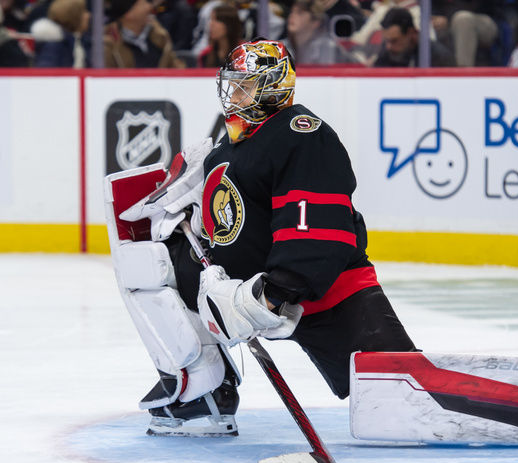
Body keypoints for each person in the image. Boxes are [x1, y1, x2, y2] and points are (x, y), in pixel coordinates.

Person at [106, 39, 417, 435]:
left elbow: (316, 221)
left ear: (272, 86)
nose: (233, 93)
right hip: (241, 290)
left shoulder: (301, 134)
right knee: (151, 263)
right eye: (232, 84)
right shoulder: (229, 146)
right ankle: (205, 393)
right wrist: (193, 222)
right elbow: (232, 215)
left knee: (400, 399)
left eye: (244, 85)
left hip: (319, 294)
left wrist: (274, 293)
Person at [103, 0, 185, 68]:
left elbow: (178, 72)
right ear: (129, 13)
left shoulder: (160, 37)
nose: (150, 7)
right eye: (145, 2)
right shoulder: (109, 46)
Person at [373, 6, 454, 67]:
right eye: (386, 41)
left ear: (410, 33)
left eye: (394, 41)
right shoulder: (389, 51)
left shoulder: (436, 57)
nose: (388, 46)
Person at [281, 0, 354, 65]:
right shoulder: (281, 47)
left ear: (315, 22)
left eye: (300, 13)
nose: (292, 16)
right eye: (292, 12)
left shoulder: (327, 48)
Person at [432, 0, 499, 67]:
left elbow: (480, 5)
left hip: (481, 18)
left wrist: (448, 19)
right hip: (444, 21)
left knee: (463, 19)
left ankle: (463, 73)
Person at [31, 0, 91, 67]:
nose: (88, 15)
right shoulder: (54, 46)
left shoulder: (81, 42)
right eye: (83, 11)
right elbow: (46, 75)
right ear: (72, 16)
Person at [197, 3, 243, 68]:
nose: (211, 24)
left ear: (229, 24)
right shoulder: (205, 55)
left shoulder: (245, 53)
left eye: (216, 20)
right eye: (211, 19)